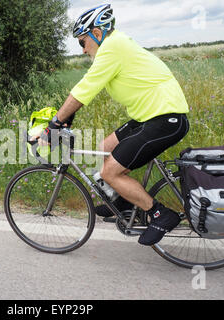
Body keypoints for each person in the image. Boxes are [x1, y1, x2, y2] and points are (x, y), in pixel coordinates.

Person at [33, 4, 190, 246]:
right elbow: (87, 92)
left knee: (109, 172)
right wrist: (66, 118)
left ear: (97, 33)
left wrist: (54, 124)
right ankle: (125, 201)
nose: (83, 50)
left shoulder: (113, 47)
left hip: (165, 119)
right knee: (102, 149)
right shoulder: (115, 45)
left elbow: (85, 89)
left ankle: (159, 214)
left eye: (82, 42)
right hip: (149, 117)